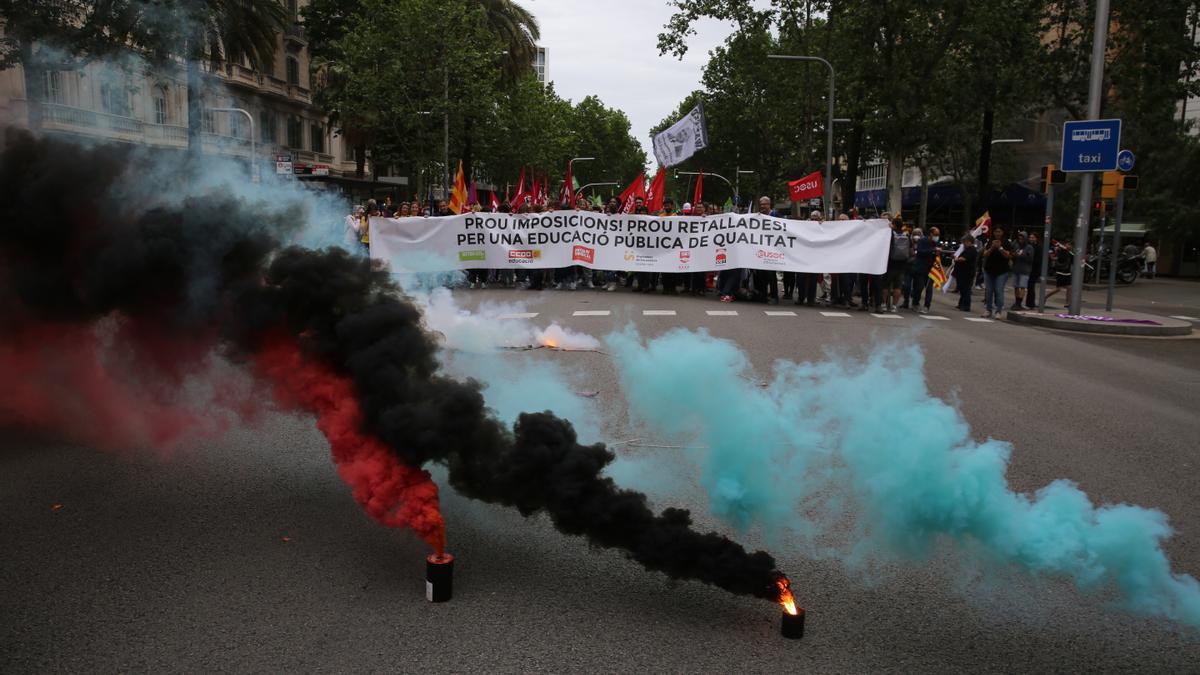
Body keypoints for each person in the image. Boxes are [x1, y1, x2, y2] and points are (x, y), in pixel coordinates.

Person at [751, 196, 780, 304]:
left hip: (772, 250)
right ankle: (762, 295)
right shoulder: (758, 216)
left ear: (769, 204)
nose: (763, 206)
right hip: (760, 249)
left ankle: (774, 296)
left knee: (771, 274)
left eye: (765, 204)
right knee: (760, 274)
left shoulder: (775, 215)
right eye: (761, 204)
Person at [981, 226, 1012, 319]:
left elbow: (1008, 255)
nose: (997, 233)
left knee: (999, 290)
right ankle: (988, 310)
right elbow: (984, 254)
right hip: (989, 270)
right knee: (989, 291)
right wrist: (992, 248)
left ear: (1002, 232)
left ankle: (998, 311)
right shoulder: (990, 241)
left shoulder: (1006, 242)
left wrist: (1000, 248)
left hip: (1002, 271)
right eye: (996, 231)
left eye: (999, 231)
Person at [883, 217, 911, 313]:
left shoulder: (890, 234)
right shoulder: (906, 235)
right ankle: (894, 306)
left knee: (885, 285)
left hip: (890, 263)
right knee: (898, 287)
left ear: (894, 225)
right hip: (902, 265)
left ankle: (884, 304)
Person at [910, 226, 940, 313]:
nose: (937, 236)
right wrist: (932, 250)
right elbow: (920, 251)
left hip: (931, 269)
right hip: (921, 268)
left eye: (938, 235)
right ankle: (915, 302)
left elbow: (936, 255)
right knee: (919, 287)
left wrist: (937, 253)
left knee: (929, 288)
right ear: (930, 234)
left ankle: (927, 306)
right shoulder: (923, 241)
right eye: (935, 234)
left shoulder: (936, 243)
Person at [1010, 232, 1035, 311]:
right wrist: (1014, 255)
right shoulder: (1016, 245)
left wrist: (1022, 255)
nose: (1020, 240)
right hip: (1016, 269)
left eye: (1022, 238)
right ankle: (1017, 301)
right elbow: (1011, 253)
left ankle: (1019, 303)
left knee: (1022, 286)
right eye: (1019, 238)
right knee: (1016, 286)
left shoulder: (1029, 247)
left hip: (1025, 270)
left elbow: (1031, 259)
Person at [1044, 241, 1074, 306]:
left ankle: (1067, 303)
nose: (1069, 246)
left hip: (1067, 273)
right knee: (1058, 289)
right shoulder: (1062, 252)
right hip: (1061, 272)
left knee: (1069, 288)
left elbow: (1073, 261)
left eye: (1070, 245)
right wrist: (1063, 250)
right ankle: (1045, 297)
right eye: (1068, 244)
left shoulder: (1071, 253)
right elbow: (1060, 258)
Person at [953, 234, 978, 312]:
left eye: (965, 242)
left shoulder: (972, 250)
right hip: (962, 272)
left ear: (969, 242)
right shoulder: (966, 249)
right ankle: (961, 303)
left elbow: (963, 259)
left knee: (966, 289)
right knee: (962, 289)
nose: (964, 243)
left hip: (967, 273)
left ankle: (966, 306)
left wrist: (956, 259)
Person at [1024, 232, 1043, 309]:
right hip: (1030, 269)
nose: (1031, 239)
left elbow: (1037, 260)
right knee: (1029, 286)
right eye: (1030, 237)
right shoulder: (1029, 246)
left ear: (1036, 238)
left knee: (1030, 286)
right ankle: (1029, 303)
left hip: (1034, 270)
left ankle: (1030, 304)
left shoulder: (1038, 247)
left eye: (1033, 237)